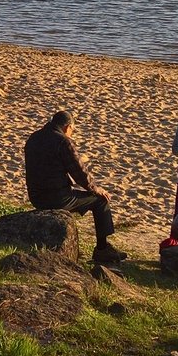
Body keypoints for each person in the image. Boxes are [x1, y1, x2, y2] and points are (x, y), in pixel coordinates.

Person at [24, 110, 126, 265]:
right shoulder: (63, 141)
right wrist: (96, 189)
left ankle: (103, 248)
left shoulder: (34, 138)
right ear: (67, 127)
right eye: (72, 130)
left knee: (83, 195)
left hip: (36, 196)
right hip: (57, 198)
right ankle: (102, 248)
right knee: (100, 201)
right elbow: (79, 172)